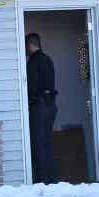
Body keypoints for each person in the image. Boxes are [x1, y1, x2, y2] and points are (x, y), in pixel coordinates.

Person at [26, 33, 58, 184]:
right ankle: (52, 179)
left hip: (39, 107)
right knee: (48, 143)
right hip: (51, 105)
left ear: (30, 45)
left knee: (38, 144)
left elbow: (31, 87)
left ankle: (42, 181)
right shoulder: (48, 59)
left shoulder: (33, 61)